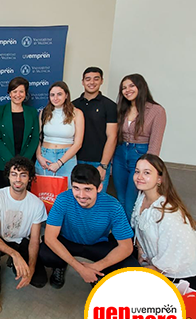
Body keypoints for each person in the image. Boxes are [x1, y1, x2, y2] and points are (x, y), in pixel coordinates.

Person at [39, 164, 139, 289]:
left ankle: (99, 273)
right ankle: (60, 265)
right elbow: (49, 237)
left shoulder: (113, 205)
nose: (81, 195)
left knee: (132, 267)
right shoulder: (63, 199)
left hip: (97, 243)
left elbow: (126, 247)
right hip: (69, 241)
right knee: (45, 253)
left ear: (99, 188)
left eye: (87, 189)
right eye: (76, 188)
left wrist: (95, 268)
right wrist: (80, 268)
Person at [0, 156, 48, 297]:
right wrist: (14, 254)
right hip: (0, 238)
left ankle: (16, 262)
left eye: (23, 175)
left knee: (39, 281)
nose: (18, 179)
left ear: (30, 178)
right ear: (8, 176)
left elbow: (35, 240)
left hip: (21, 240)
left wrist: (30, 268)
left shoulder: (37, 204)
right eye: (14, 174)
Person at [132, 154, 196, 287]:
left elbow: (173, 256)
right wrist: (141, 251)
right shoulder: (143, 196)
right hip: (153, 259)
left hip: (179, 274)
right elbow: (139, 227)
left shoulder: (167, 214)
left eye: (147, 173)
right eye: (137, 171)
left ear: (159, 179)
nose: (140, 177)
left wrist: (150, 269)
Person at [112, 74, 167, 218]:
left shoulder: (156, 111)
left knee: (132, 200)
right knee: (121, 198)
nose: (127, 90)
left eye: (131, 86)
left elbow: (155, 142)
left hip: (141, 155)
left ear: (140, 87)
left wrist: (148, 167)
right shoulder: (121, 109)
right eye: (124, 88)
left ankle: (132, 235)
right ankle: (122, 233)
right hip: (120, 153)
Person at [0, 76, 40, 189]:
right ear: (9, 93)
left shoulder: (32, 112)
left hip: (25, 161)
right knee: (4, 193)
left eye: (21, 91)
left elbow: (35, 138)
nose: (18, 94)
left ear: (25, 94)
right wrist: (12, 162)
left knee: (24, 194)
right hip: (3, 161)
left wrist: (23, 162)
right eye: (14, 91)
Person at [72, 67, 117, 191]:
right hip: (75, 160)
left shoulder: (110, 106)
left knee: (98, 199)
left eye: (96, 79)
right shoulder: (73, 105)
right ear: (82, 82)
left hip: (99, 162)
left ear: (101, 81)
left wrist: (103, 165)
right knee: (77, 198)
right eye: (88, 79)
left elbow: (112, 137)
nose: (92, 82)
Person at [35, 81, 84, 187]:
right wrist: (39, 156)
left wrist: (59, 163)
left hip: (67, 158)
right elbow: (38, 138)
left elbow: (78, 143)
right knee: (44, 193)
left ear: (66, 95)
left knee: (66, 194)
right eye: (52, 95)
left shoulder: (77, 113)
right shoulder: (44, 112)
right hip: (45, 156)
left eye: (59, 94)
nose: (55, 98)